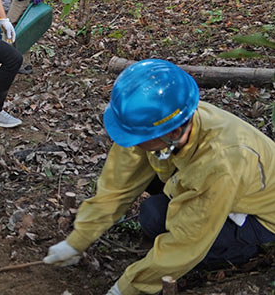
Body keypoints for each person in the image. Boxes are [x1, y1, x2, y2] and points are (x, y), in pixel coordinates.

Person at [43, 59, 275, 295]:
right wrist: (77, 240)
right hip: (211, 183)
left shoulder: (221, 161)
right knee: (154, 214)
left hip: (259, 216)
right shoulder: (154, 124)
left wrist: (125, 288)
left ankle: (241, 250)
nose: (131, 144)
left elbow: (186, 242)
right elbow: (117, 186)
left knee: (158, 220)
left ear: (174, 132)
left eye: (137, 138)